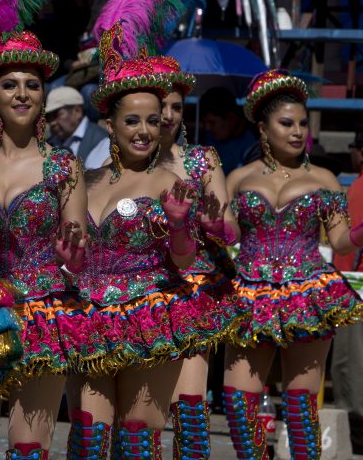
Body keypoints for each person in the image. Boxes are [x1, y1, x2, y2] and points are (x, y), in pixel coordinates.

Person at [59, 22, 234, 459]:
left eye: (153, 121)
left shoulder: (170, 179)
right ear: (110, 124)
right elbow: (76, 255)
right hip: (89, 319)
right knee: (88, 439)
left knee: (139, 436)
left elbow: (183, 256)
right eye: (132, 120)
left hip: (149, 319)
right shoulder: (86, 178)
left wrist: (180, 225)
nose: (144, 130)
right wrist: (69, 261)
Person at [0, 28, 87, 459]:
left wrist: (72, 255)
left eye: (33, 84)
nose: (23, 93)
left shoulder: (64, 165)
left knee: (29, 448)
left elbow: (79, 252)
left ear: (45, 96)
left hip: (45, 312)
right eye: (10, 84)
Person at [223, 69, 363, 460]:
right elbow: (228, 236)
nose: (298, 131)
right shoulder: (238, 178)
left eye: (303, 123)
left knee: (301, 406)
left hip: (307, 293)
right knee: (237, 402)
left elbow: (338, 240)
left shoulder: (325, 179)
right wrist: (202, 222)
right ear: (263, 129)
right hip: (250, 293)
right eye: (287, 123)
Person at [153, 55, 240, 459]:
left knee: (189, 408)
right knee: (140, 420)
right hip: (137, 296)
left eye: (176, 107)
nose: (168, 115)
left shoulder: (203, 160)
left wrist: (213, 224)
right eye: (160, 106)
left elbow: (232, 229)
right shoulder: (116, 166)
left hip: (190, 294)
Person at [331, 130, 363, 455]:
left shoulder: (359, 188)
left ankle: (355, 434)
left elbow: (349, 250)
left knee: (350, 365)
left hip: (355, 286)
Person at [46, 86, 109, 169]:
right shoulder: (50, 143)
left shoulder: (102, 141)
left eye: (57, 115)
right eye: (49, 118)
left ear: (77, 111)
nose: (52, 122)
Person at [199, 86, 258, 175]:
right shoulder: (209, 138)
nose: (208, 128)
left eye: (212, 122)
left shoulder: (251, 146)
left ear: (231, 118)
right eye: (204, 122)